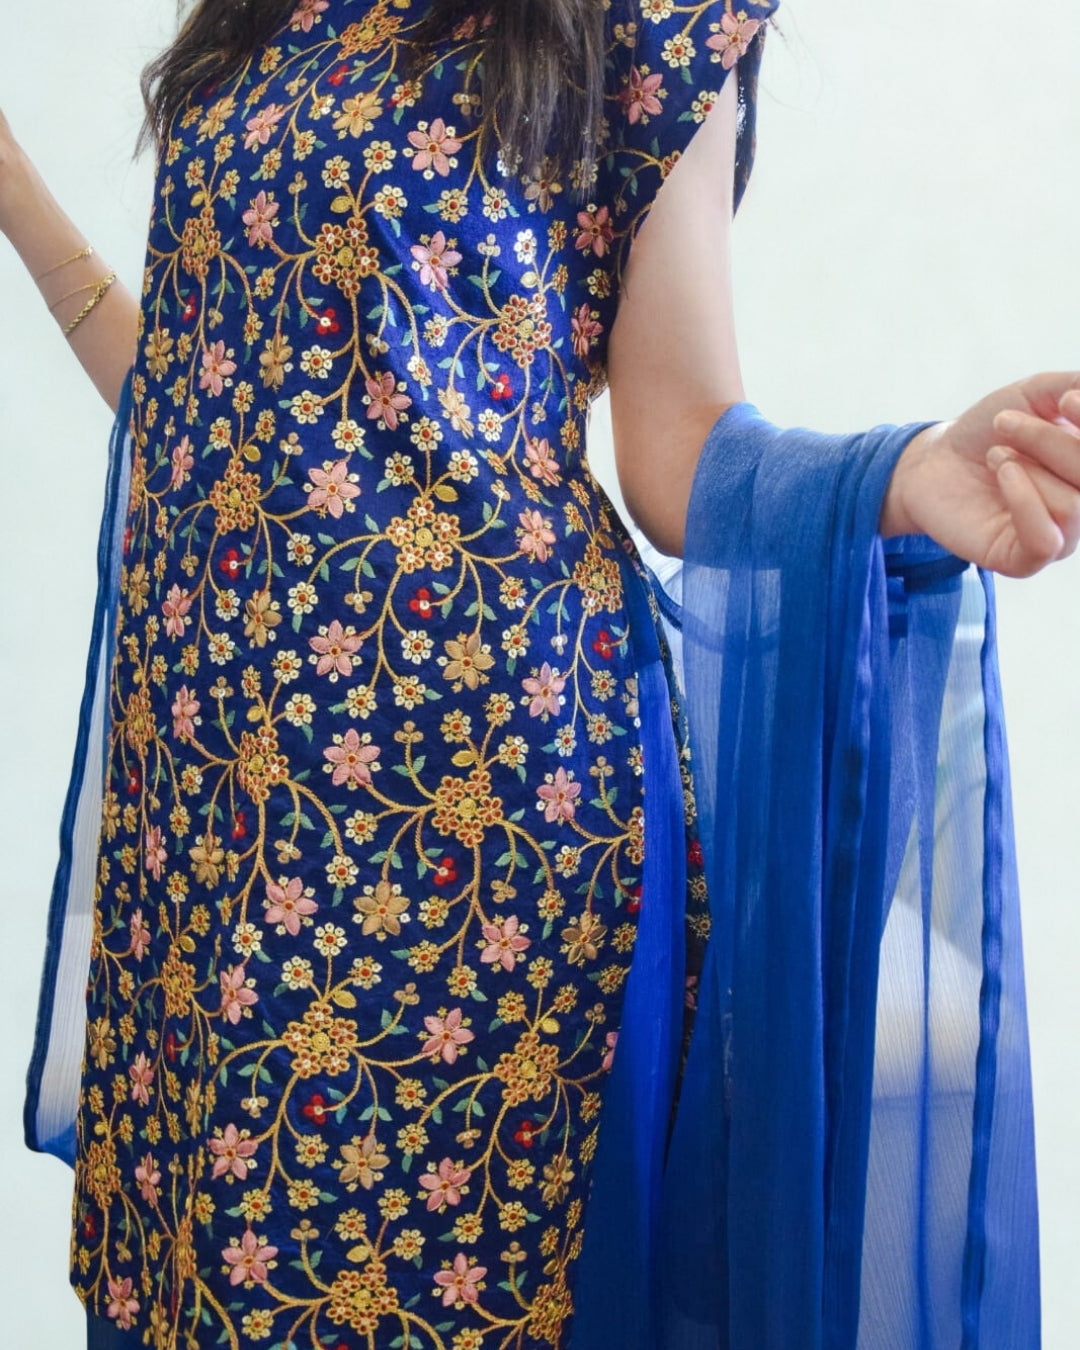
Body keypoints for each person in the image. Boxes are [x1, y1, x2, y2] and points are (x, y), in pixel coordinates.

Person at [2, 1, 1075, 1346]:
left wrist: (895, 474)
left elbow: (677, 447)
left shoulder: (650, 16)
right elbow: (218, 407)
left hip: (485, 821)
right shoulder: (260, 20)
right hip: (227, 818)